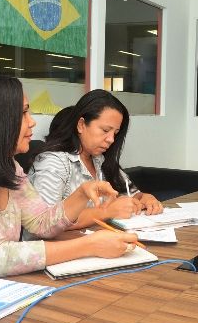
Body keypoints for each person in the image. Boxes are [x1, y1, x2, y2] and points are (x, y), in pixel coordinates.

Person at [0, 74, 137, 277]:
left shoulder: (8, 166)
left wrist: (82, 194)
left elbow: (41, 223)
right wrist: (89, 245)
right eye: (23, 113)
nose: (32, 122)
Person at [29, 89, 162, 229]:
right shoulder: (53, 162)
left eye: (115, 133)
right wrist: (107, 212)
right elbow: (44, 223)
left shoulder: (100, 159)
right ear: (81, 125)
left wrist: (144, 198)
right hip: (65, 242)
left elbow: (130, 194)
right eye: (105, 130)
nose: (111, 139)